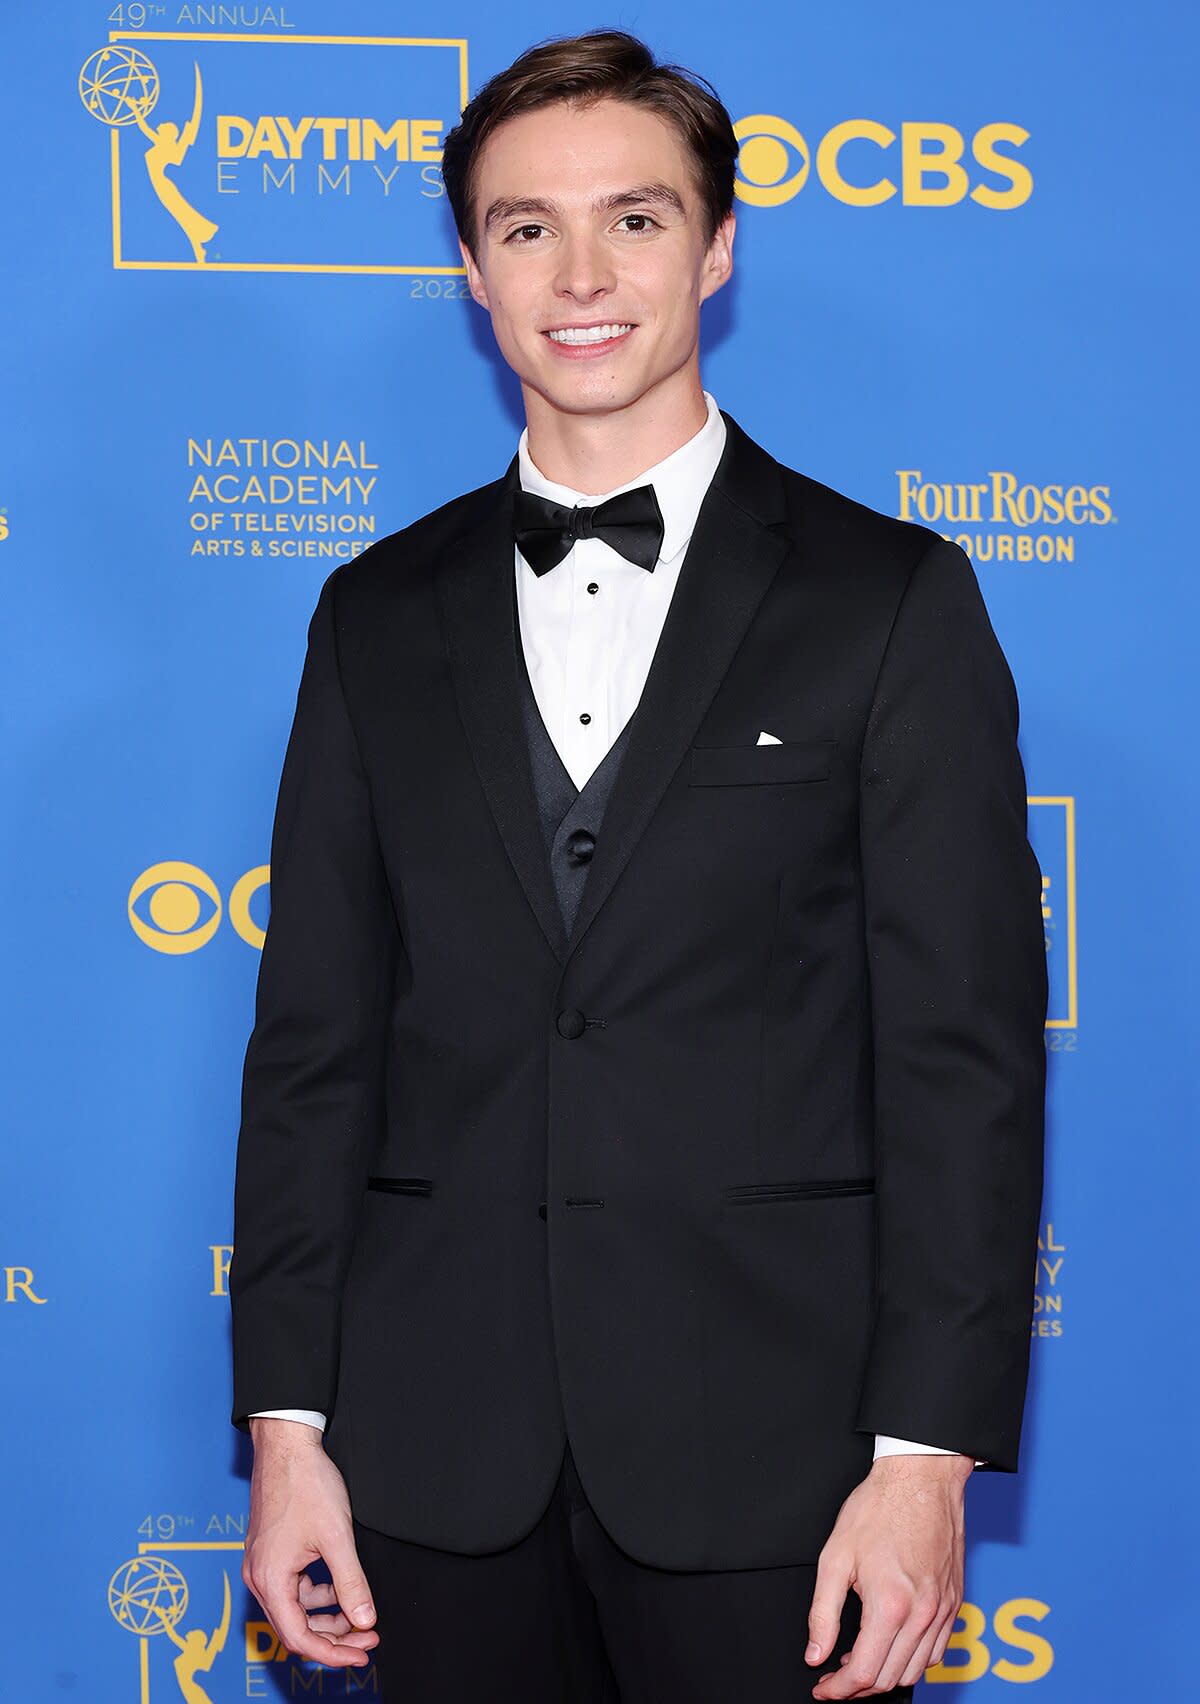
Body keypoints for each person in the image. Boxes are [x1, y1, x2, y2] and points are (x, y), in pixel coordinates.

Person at [228, 28, 1047, 1703]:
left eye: (639, 219)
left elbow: (959, 1064)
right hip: (433, 1462)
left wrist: (926, 1460)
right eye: (527, 228)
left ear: (720, 244)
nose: (582, 275)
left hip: (783, 1464)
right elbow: (315, 1050)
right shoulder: (373, 614)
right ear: (471, 269)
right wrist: (290, 1431)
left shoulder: (887, 600)